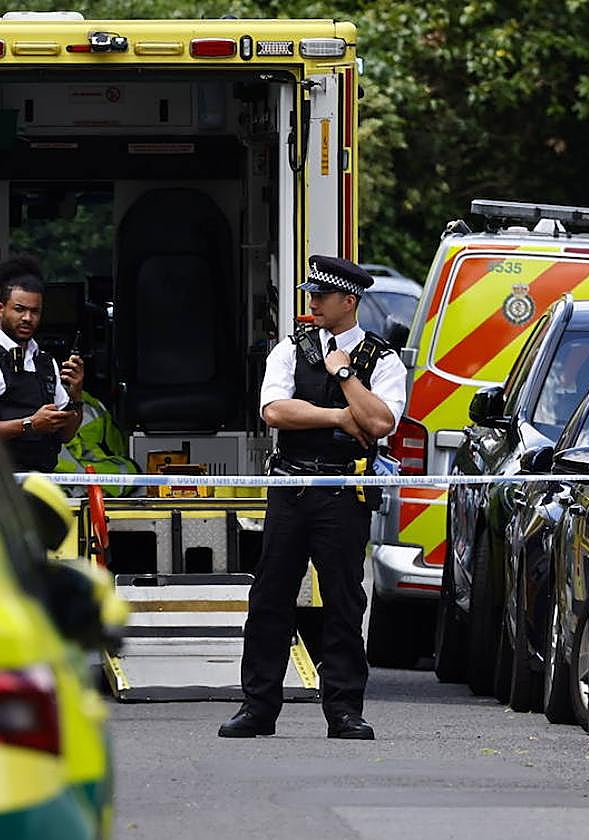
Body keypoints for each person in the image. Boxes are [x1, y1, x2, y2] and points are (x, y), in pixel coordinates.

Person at [218, 255, 407, 740]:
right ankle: (258, 707)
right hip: (291, 487)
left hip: (344, 491)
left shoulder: (380, 360)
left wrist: (345, 377)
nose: (312, 302)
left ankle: (344, 710)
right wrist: (341, 417)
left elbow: (382, 423)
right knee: (269, 600)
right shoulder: (289, 349)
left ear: (350, 301)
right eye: (310, 294)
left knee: (343, 602)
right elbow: (275, 411)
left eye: (321, 296)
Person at [0, 256, 85, 471]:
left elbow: (65, 435)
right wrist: (29, 425)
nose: (27, 318)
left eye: (34, 311)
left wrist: (76, 395)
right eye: (19, 309)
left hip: (42, 484)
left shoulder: (45, 363)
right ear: (0, 309)